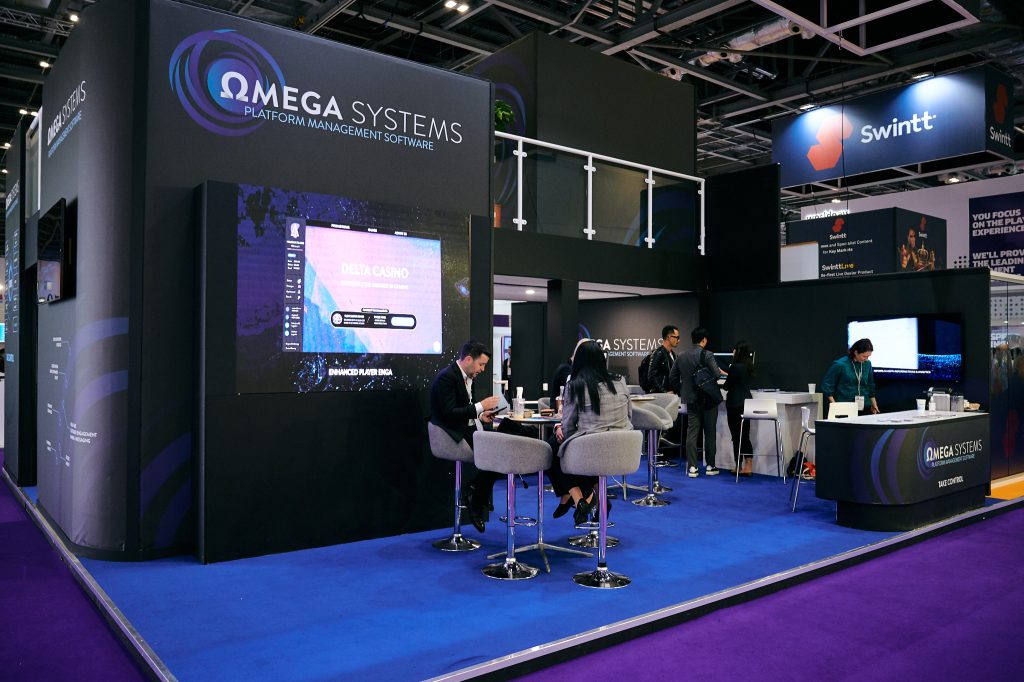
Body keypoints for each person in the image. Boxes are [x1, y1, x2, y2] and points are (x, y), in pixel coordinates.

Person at [550, 339, 633, 525]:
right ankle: (594, 499)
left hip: (592, 448)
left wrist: (558, 429)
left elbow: (568, 427)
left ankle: (582, 498)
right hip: (624, 448)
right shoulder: (620, 381)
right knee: (573, 450)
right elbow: (629, 415)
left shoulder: (576, 385)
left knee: (554, 448)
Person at [429, 340, 503, 532]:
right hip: (452, 434)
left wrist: (481, 415)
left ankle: (475, 492)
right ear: (469, 359)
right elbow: (449, 413)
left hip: (469, 430)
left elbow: (466, 409)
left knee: (503, 451)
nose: (483, 369)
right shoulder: (447, 378)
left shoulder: (469, 376)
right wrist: (480, 406)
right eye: (481, 364)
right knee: (497, 456)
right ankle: (476, 495)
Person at [669, 327, 723, 477]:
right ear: (704, 340)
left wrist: (682, 390)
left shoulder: (681, 356)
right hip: (708, 399)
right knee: (710, 433)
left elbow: (672, 377)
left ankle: (692, 467)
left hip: (691, 399)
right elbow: (717, 375)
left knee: (692, 433)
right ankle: (710, 466)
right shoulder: (707, 354)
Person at [821, 338, 879, 415]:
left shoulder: (867, 364)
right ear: (856, 352)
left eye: (868, 357)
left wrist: (874, 404)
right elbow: (827, 385)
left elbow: (870, 385)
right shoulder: (840, 364)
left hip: (865, 406)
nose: (866, 359)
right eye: (864, 356)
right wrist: (834, 405)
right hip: (845, 407)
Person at [723, 340, 755, 476]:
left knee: (736, 436)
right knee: (745, 435)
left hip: (734, 404)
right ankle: (748, 465)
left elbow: (727, 386)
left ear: (738, 351)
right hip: (746, 404)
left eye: (734, 349)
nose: (733, 352)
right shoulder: (748, 367)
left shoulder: (735, 367)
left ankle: (738, 465)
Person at [647, 325, 680, 393]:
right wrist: (664, 392)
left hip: (671, 394)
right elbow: (651, 376)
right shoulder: (658, 353)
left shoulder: (672, 354)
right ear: (669, 337)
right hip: (661, 396)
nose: (678, 340)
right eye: (677, 337)